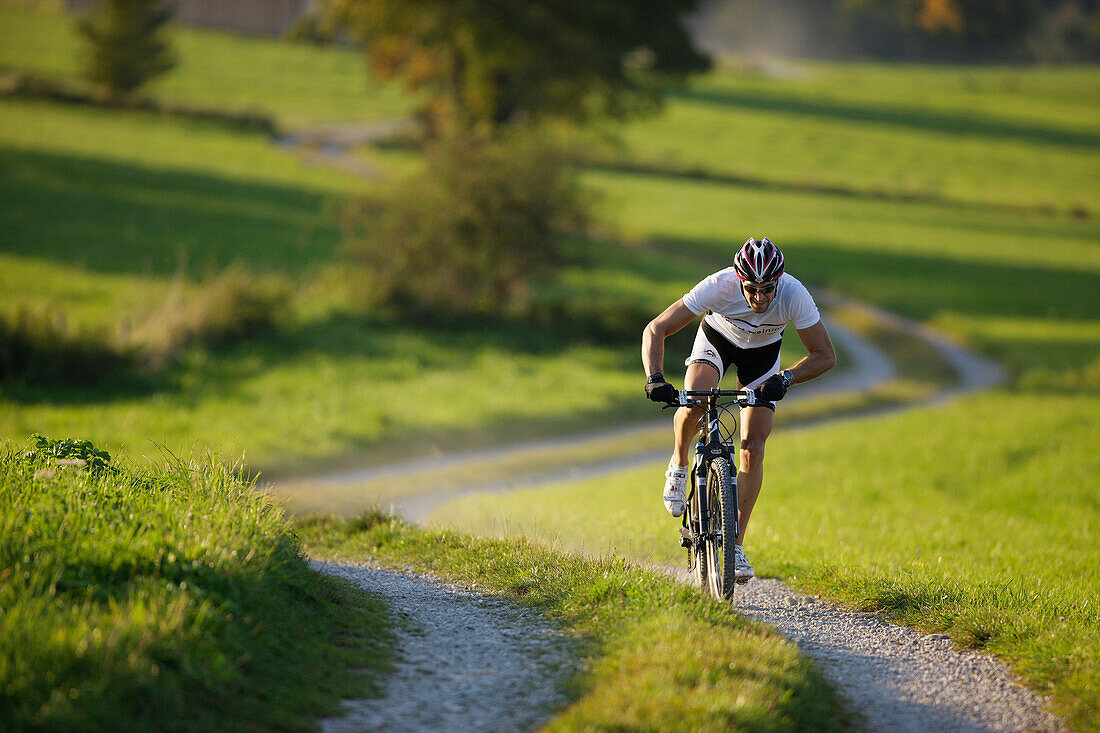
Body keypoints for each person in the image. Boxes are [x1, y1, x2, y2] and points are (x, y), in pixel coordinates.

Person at [641, 237, 836, 581]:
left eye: (768, 289)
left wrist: (786, 378)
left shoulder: (794, 294)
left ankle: (736, 545)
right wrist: (655, 377)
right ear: (738, 280)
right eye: (752, 289)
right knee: (696, 399)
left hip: (762, 357)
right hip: (717, 340)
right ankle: (679, 462)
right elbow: (656, 328)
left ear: (779, 282)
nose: (760, 298)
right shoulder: (719, 286)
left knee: (753, 448)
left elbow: (825, 355)